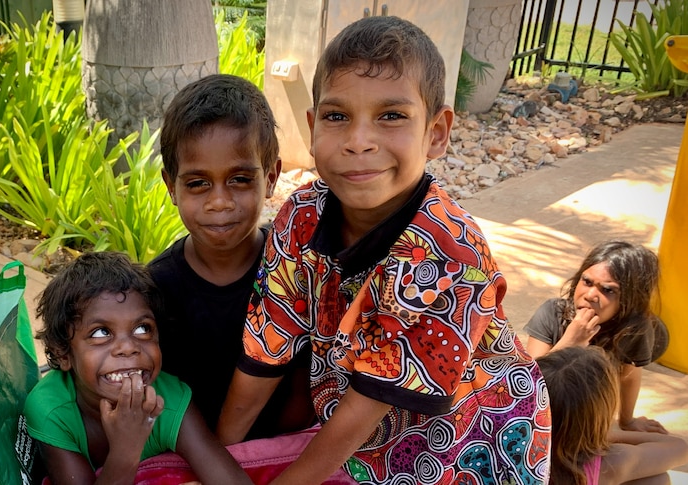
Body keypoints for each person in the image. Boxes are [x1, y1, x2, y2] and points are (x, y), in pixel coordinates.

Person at [216, 15, 550, 484]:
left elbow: (360, 414)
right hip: (363, 445)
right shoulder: (301, 216)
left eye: (391, 116)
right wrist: (219, 459)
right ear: (312, 128)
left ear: (436, 132)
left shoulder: (450, 254)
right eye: (337, 117)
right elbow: (266, 347)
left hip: (473, 445)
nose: (358, 142)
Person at [148, 74, 315, 439]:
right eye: (197, 183)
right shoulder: (154, 290)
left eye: (239, 179)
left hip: (286, 454)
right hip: (191, 457)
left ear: (271, 177)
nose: (219, 201)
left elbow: (305, 390)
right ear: (170, 186)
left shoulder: (293, 266)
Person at [22, 251, 251, 484]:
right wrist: (126, 450)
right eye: (101, 333)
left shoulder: (170, 400)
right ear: (63, 353)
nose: (128, 347)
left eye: (142, 328)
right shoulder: (51, 409)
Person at [525, 240, 670, 433]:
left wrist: (627, 421)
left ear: (628, 300)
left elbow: (630, 377)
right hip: (539, 419)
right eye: (587, 282)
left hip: (588, 424)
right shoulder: (553, 313)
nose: (591, 295)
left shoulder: (634, 328)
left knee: (672, 445)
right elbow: (529, 385)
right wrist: (571, 342)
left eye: (608, 290)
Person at [538, 346, 688, 484]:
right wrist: (598, 437)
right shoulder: (610, 464)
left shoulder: (518, 450)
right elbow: (680, 447)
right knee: (657, 480)